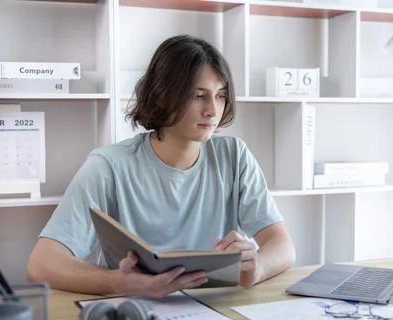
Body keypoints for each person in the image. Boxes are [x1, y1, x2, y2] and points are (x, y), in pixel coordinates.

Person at [26, 34, 296, 299]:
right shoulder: (108, 166)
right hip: (137, 309)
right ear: (163, 96)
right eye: (198, 95)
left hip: (218, 306)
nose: (212, 110)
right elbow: (41, 264)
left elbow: (282, 246)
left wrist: (256, 267)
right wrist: (119, 283)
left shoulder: (234, 156)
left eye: (221, 95)